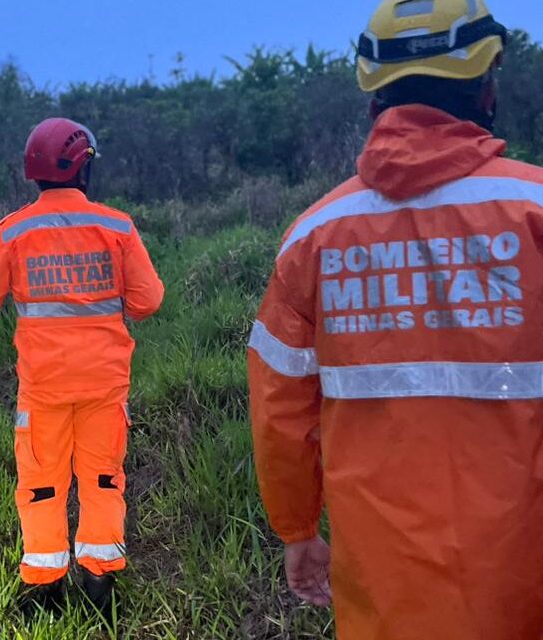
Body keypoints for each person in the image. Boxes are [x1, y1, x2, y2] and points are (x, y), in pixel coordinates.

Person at [248, 1, 543, 637]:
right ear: (487, 86)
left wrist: (297, 530)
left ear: (373, 98)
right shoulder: (534, 213)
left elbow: (279, 407)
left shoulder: (313, 238)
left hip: (383, 588)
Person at [0, 118, 164, 614]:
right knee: (102, 479)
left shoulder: (12, 231)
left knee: (41, 484)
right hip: (104, 384)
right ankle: (99, 585)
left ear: (34, 174)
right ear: (83, 169)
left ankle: (45, 588)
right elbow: (149, 301)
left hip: (43, 388)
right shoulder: (117, 227)